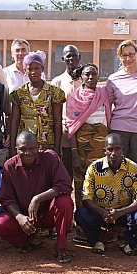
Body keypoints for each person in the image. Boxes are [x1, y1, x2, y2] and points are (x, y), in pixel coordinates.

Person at [0, 131, 74, 263]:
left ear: (38, 147)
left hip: (48, 213)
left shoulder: (51, 158)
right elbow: (7, 199)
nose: (28, 153)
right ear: (16, 149)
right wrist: (19, 217)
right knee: (1, 224)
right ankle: (26, 240)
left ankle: (61, 246)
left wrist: (37, 198)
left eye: (32, 148)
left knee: (65, 202)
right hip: (25, 217)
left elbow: (64, 185)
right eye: (23, 149)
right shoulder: (10, 166)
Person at [75, 133, 137, 255]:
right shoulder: (94, 168)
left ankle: (129, 243)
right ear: (105, 151)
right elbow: (86, 198)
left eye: (117, 148)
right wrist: (102, 212)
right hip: (100, 213)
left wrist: (119, 213)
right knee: (80, 214)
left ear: (123, 149)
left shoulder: (134, 169)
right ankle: (98, 241)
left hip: (124, 213)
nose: (114, 153)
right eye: (110, 149)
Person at [66, 63, 112, 205]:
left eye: (94, 74)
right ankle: (81, 220)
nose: (91, 77)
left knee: (101, 181)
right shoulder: (74, 98)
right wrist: (74, 155)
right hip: (81, 149)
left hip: (101, 148)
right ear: (81, 77)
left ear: (98, 77)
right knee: (82, 184)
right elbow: (71, 127)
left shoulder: (104, 94)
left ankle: (102, 220)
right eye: (87, 74)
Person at [9, 50, 65, 156]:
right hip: (25, 146)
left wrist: (57, 147)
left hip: (47, 144)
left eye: (37, 68)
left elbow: (57, 120)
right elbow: (15, 120)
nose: (33, 72)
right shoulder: (18, 94)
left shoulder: (55, 93)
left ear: (42, 69)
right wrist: (12, 147)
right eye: (30, 69)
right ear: (25, 71)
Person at [51, 45, 82, 181]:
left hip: (83, 135)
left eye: (75, 56)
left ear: (79, 58)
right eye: (68, 56)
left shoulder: (85, 79)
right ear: (63, 58)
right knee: (66, 174)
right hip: (64, 136)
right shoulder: (57, 82)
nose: (72, 59)